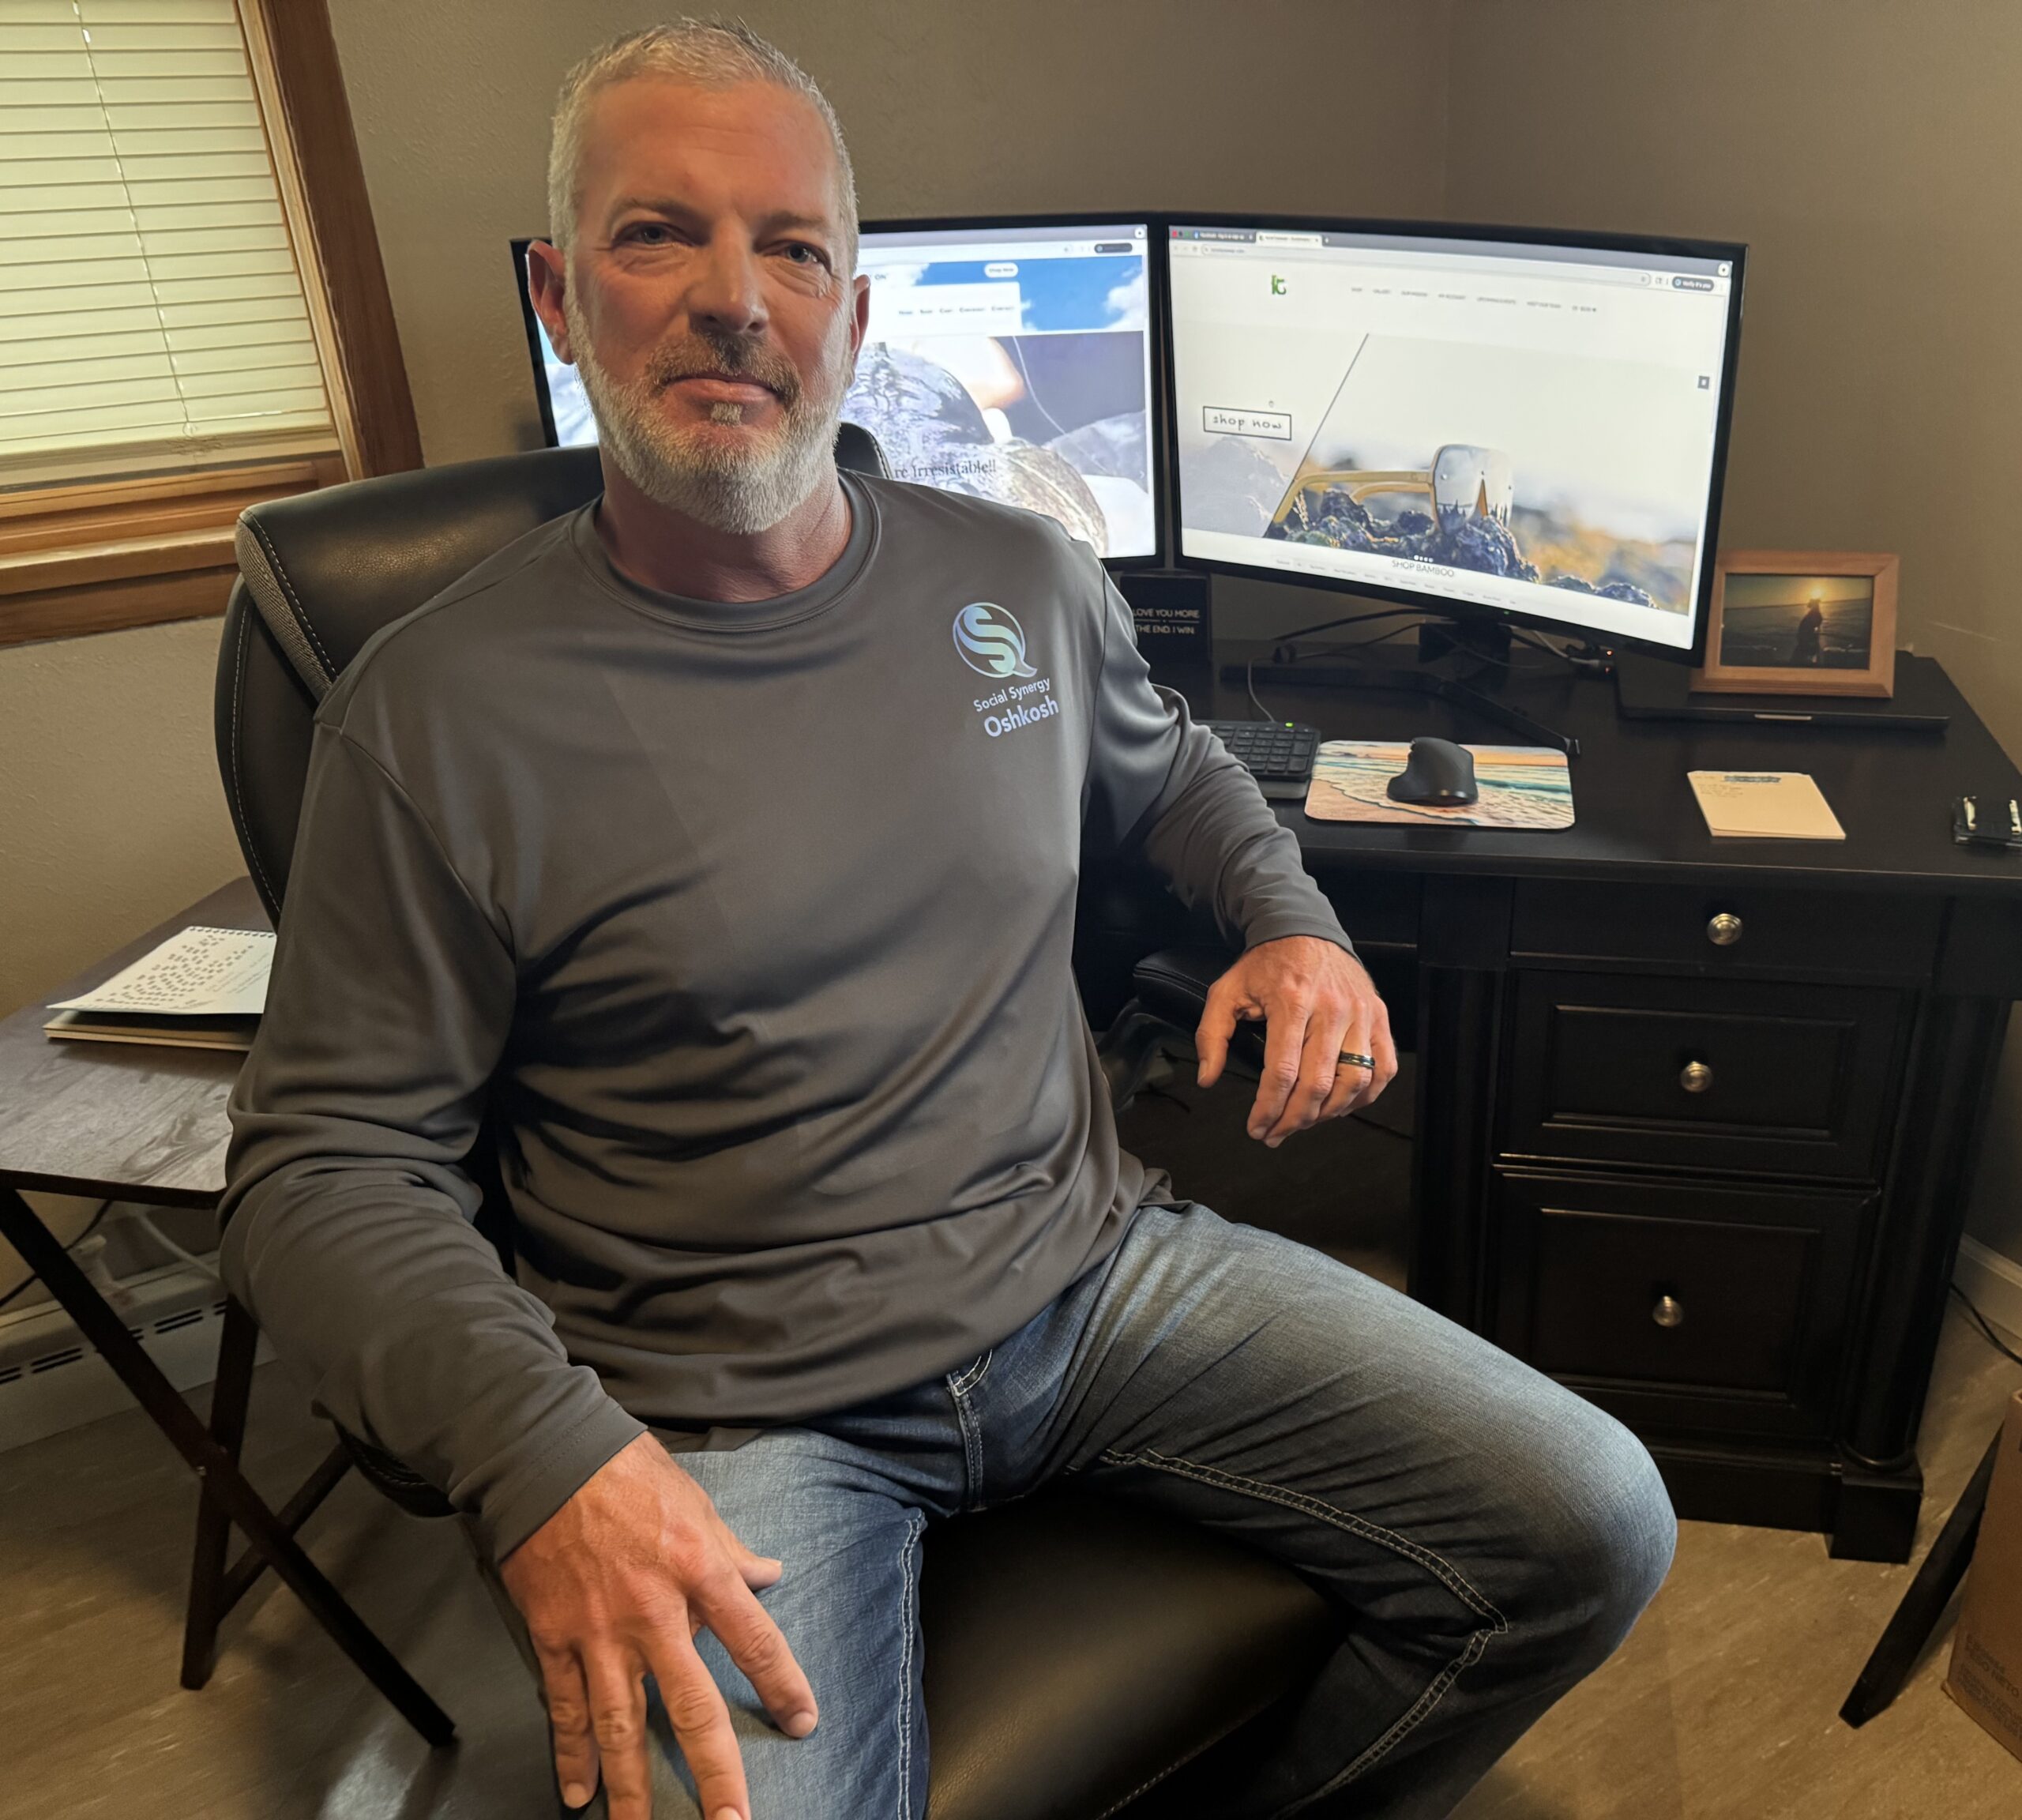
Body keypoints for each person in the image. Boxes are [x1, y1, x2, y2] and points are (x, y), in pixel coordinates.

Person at [220, 22, 1674, 1820]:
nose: (733, 299)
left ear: (852, 313)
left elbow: (1177, 771)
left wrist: (1288, 917)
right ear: (558, 292)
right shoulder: (434, 710)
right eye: (657, 234)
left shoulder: (1017, 579)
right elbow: (319, 1169)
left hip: (1093, 1277)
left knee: (1593, 1524)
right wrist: (540, 1452)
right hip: (732, 1393)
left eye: (792, 247)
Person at [1792, 594, 1825, 664]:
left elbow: (1815, 625)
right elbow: (1816, 624)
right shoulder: (1814, 614)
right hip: (1806, 638)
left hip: (1805, 638)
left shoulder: (1812, 614)